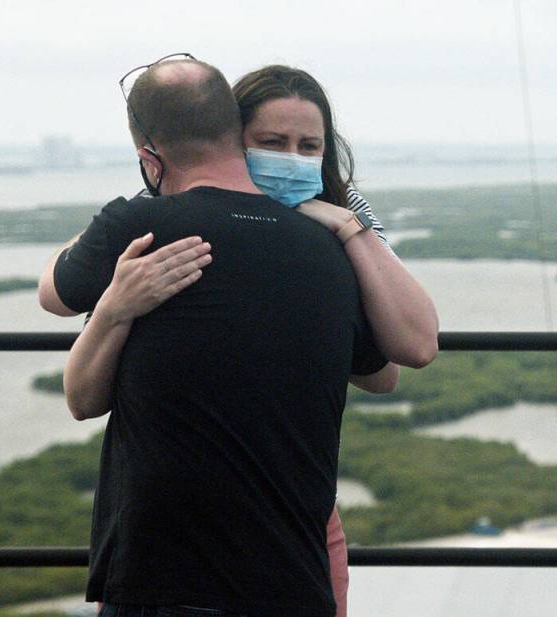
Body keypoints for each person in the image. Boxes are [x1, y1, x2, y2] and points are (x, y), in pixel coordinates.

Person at [49, 64, 440, 617]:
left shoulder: (340, 225)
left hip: (267, 538)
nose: (291, 159)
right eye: (272, 142)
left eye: (309, 146)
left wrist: (350, 233)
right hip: (262, 553)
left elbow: (402, 356)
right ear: (234, 139)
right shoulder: (156, 230)